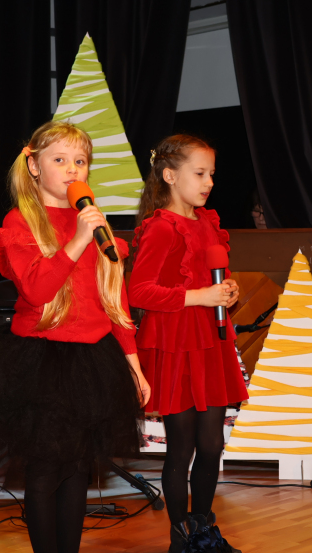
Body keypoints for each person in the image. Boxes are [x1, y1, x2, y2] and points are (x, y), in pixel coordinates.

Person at [0, 120, 149, 553]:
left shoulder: (95, 224)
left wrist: (133, 365)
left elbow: (115, 303)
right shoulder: (21, 221)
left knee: (77, 470)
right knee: (44, 471)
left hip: (93, 361)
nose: (73, 169)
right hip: (42, 363)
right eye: (60, 159)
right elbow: (38, 290)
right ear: (34, 166)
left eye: (81, 161)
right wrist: (77, 240)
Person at [128, 135, 248, 553]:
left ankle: (203, 529)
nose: (209, 182)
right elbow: (139, 291)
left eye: (211, 174)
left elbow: (213, 277)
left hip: (210, 341)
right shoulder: (161, 227)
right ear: (169, 175)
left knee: (212, 445)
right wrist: (199, 296)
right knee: (181, 446)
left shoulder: (208, 223)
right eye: (199, 173)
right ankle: (181, 536)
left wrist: (227, 291)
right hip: (176, 344)